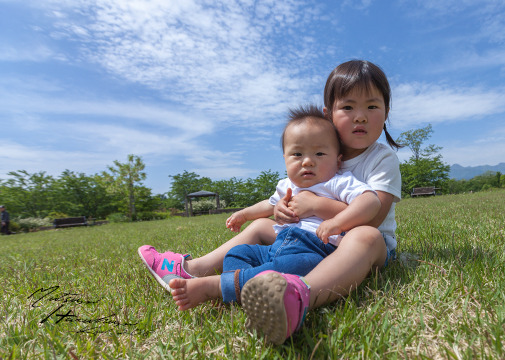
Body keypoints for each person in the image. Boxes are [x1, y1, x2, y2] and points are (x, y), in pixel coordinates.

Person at [138, 59, 401, 344]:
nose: (360, 116)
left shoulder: (380, 158)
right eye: (348, 107)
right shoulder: (319, 155)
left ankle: (300, 296)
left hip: (363, 248)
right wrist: (273, 210)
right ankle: (193, 270)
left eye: (372, 107)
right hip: (304, 236)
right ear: (329, 114)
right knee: (261, 226)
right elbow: (276, 200)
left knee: (365, 235)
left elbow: (373, 216)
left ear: (386, 112)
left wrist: (315, 206)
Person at [139, 106, 381, 311]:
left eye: (319, 153)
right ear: (285, 159)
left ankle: (218, 286)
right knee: (239, 253)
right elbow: (268, 205)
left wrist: (335, 221)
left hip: (313, 249)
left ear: (338, 159)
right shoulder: (287, 185)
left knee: (290, 268)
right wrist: (245, 214)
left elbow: (369, 202)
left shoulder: (338, 181)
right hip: (278, 244)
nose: (308, 161)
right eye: (297, 154)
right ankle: (244, 293)